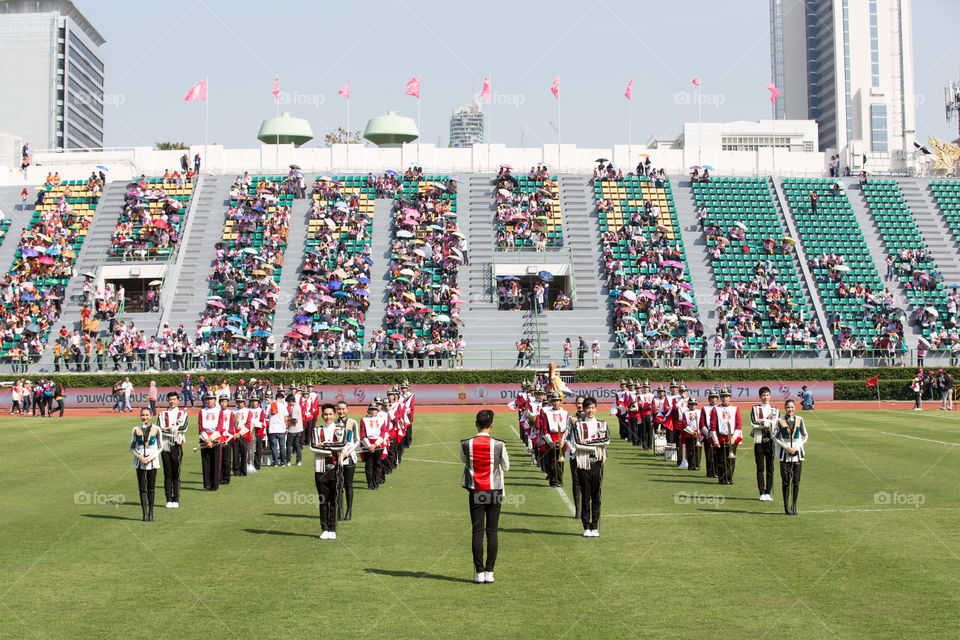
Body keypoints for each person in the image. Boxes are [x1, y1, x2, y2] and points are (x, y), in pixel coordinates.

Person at [460, 409, 509, 584]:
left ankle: (479, 572)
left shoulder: (466, 443)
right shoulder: (499, 444)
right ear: (492, 424)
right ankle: (490, 571)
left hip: (476, 490)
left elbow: (463, 460)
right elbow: (507, 466)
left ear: (476, 424)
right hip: (494, 489)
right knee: (492, 532)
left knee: (477, 532)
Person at [566, 397, 608, 537]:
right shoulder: (578, 425)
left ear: (596, 409)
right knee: (586, 494)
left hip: (597, 463)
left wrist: (589, 441)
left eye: (592, 408)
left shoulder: (602, 424)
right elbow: (577, 443)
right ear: (584, 410)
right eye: (588, 408)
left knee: (597, 495)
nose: (590, 410)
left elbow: (606, 440)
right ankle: (586, 525)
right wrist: (596, 445)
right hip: (583, 463)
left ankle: (595, 525)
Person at [310, 404, 347, 540]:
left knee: (334, 499)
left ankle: (332, 528)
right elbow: (313, 447)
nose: (328, 417)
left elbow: (342, 444)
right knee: (323, 499)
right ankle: (324, 528)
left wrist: (323, 444)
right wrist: (331, 447)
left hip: (336, 467)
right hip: (320, 468)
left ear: (335, 415)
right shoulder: (316, 430)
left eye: (330, 414)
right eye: (325, 414)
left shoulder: (339, 429)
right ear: (322, 415)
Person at [774, 399, 807, 515]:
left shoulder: (800, 420)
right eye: (788, 407)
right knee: (786, 481)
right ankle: (786, 506)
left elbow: (805, 435)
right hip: (784, 455)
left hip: (797, 455)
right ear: (785, 408)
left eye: (792, 407)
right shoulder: (780, 421)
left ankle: (794, 506)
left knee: (796, 482)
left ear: (795, 408)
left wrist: (798, 447)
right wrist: (786, 447)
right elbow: (775, 437)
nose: (790, 409)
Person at [157, 391, 188, 508]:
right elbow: (160, 429)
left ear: (178, 400)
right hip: (165, 446)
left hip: (177, 445)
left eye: (174, 399)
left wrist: (168, 428)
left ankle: (176, 499)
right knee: (167, 474)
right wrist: (174, 428)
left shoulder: (183, 414)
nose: (172, 401)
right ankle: (168, 499)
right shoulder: (162, 414)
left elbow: (184, 428)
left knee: (176, 474)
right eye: (170, 399)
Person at [130, 408, 161, 521]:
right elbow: (132, 447)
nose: (145, 417)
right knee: (142, 488)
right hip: (140, 463)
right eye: (143, 415)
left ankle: (151, 513)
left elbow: (160, 446)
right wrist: (140, 457)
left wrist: (151, 457)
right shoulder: (136, 429)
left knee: (151, 488)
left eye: (147, 415)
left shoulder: (156, 429)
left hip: (152, 462)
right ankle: (144, 513)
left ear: (151, 415)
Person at [750, 387, 778, 502]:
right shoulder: (755, 409)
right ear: (760, 397)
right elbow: (754, 424)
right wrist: (768, 422)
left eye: (767, 395)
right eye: (763, 395)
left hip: (771, 441)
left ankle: (768, 492)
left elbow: (775, 425)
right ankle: (761, 492)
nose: (765, 397)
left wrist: (762, 421)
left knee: (770, 468)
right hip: (759, 441)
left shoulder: (775, 410)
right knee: (760, 468)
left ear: (770, 396)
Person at [710, 388, 742, 485]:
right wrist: (715, 439)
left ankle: (729, 477)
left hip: (732, 438)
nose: (725, 399)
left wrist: (733, 438)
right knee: (720, 460)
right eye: (723, 397)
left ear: (730, 397)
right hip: (720, 437)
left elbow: (739, 425)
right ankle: (722, 479)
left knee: (731, 460)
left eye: (727, 396)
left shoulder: (735, 409)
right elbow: (713, 426)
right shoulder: (716, 409)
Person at [537, 391, 568, 487]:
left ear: (561, 402)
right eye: (554, 401)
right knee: (551, 461)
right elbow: (545, 429)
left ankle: (560, 480)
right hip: (551, 439)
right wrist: (550, 442)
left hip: (561, 439)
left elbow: (568, 428)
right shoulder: (547, 413)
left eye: (557, 401)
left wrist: (563, 440)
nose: (556, 403)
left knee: (560, 462)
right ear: (551, 402)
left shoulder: (565, 413)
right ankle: (553, 481)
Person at [336, 400, 360, 520]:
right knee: (338, 486)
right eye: (339, 409)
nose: (341, 411)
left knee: (348, 485)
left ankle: (349, 511)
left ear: (347, 409)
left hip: (349, 457)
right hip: (337, 458)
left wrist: (347, 452)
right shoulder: (333, 423)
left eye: (343, 409)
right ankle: (339, 511)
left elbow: (356, 440)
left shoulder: (352, 422)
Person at [197, 394, 222, 491]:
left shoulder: (218, 411)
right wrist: (206, 439)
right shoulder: (202, 411)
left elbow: (219, 426)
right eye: (207, 399)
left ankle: (214, 485)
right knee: (206, 461)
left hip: (215, 437)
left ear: (215, 400)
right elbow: (200, 426)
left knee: (215, 462)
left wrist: (211, 439)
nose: (209, 401)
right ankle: (207, 484)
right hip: (204, 437)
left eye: (211, 399)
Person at [360, 401, 387, 490]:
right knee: (369, 465)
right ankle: (370, 484)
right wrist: (369, 445)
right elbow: (363, 434)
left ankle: (376, 484)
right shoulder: (363, 419)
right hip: (367, 444)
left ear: (377, 411)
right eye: (371, 409)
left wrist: (375, 445)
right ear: (368, 411)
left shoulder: (382, 419)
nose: (373, 411)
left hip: (378, 444)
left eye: (374, 409)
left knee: (377, 464)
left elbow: (383, 433)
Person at [266, 393, 288, 466]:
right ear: (281, 398)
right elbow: (286, 418)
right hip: (281, 428)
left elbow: (266, 416)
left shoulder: (270, 405)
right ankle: (282, 462)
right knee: (282, 446)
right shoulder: (283, 406)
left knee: (274, 447)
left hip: (272, 429)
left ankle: (275, 462)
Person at [217, 396, 234, 485]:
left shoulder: (230, 413)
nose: (223, 403)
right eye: (222, 402)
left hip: (227, 438)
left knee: (226, 459)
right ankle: (219, 477)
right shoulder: (217, 412)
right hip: (218, 438)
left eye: (225, 402)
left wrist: (228, 438)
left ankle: (226, 478)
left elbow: (231, 427)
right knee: (219, 459)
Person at [285, 393, 304, 466]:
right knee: (297, 445)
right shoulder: (297, 407)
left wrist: (288, 419)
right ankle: (299, 461)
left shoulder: (295, 408)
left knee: (289, 445)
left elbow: (295, 420)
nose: (288, 404)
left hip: (293, 429)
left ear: (291, 401)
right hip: (299, 429)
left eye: (288, 402)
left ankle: (288, 461)